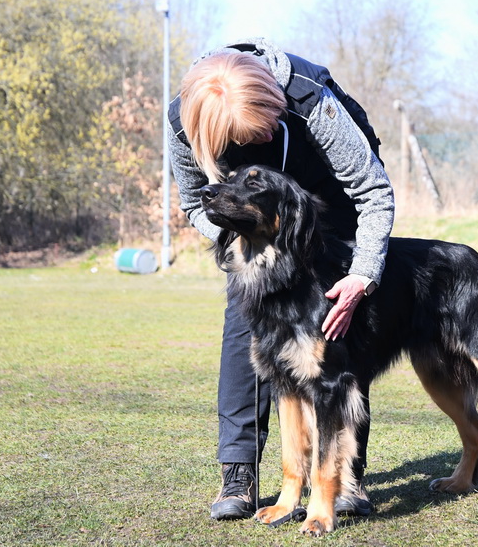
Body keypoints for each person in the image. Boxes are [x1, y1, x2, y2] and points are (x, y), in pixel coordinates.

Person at [167, 38, 394, 521]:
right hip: (249, 221)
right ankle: (239, 472)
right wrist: (239, 239)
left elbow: (372, 192)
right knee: (243, 327)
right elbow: (193, 202)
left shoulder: (312, 100)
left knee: (340, 333)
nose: (252, 148)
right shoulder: (183, 120)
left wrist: (362, 274)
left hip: (331, 204)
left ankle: (346, 478)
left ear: (275, 104)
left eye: (258, 134)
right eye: (237, 144)